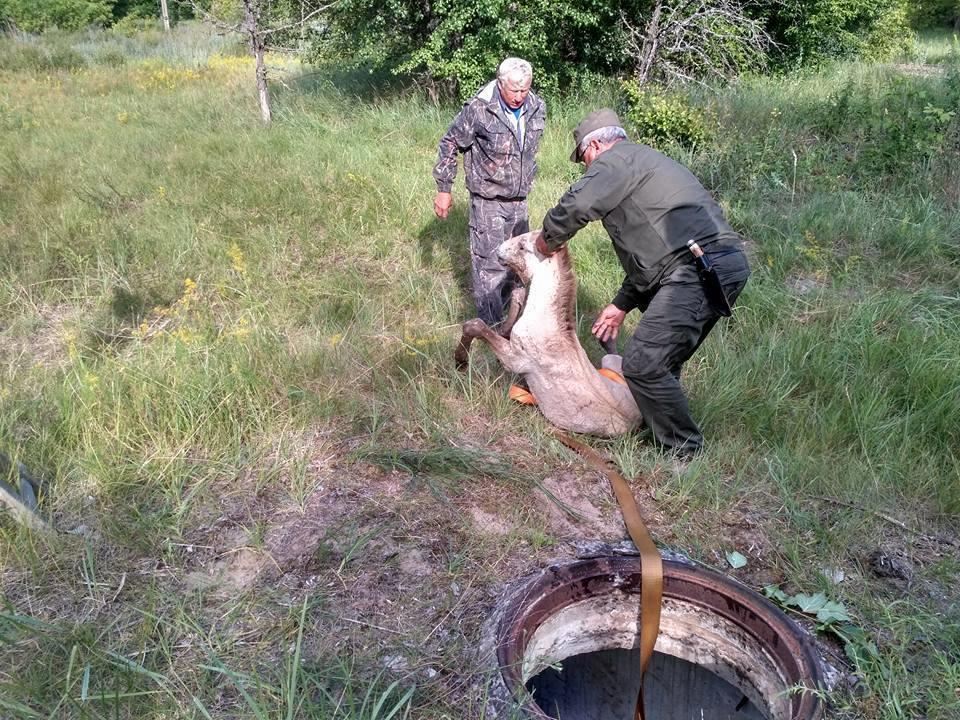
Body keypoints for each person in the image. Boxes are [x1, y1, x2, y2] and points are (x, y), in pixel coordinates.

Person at [535, 109, 751, 458]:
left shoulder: (615, 161)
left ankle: (685, 453)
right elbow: (653, 255)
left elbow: (578, 204)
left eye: (584, 159)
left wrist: (547, 240)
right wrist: (621, 304)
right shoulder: (644, 161)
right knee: (663, 361)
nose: (586, 167)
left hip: (695, 269)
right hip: (717, 264)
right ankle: (653, 430)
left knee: (642, 364)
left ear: (594, 146)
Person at [433, 57, 547, 326]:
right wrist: (444, 189)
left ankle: (514, 325)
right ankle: (490, 330)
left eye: (525, 89)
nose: (520, 96)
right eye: (514, 90)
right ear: (500, 83)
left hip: (519, 200)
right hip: (488, 200)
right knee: (491, 266)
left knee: (520, 265)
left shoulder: (537, 106)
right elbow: (450, 143)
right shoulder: (480, 108)